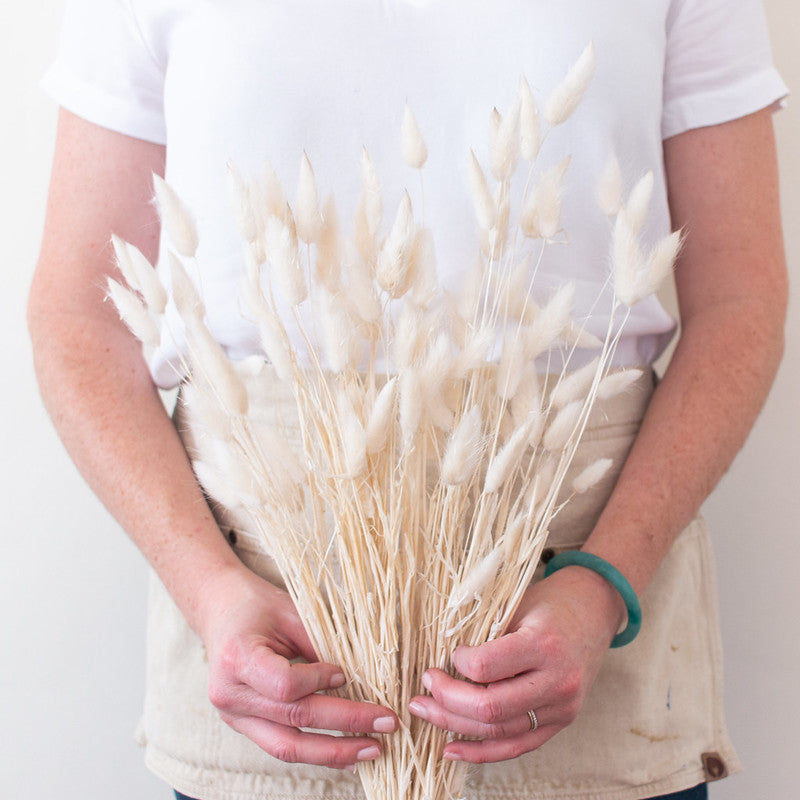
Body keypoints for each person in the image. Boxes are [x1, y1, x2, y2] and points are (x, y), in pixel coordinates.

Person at [28, 1, 788, 799]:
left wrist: (604, 585)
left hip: (583, 611)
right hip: (273, 653)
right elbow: (82, 316)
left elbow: (740, 300)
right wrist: (207, 588)